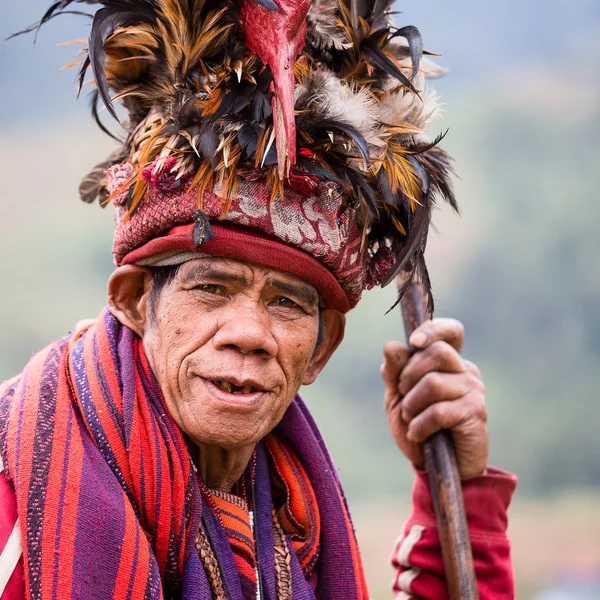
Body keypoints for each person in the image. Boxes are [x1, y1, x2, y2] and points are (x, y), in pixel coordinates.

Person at [0, 0, 517, 598]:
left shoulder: (291, 524)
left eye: (287, 304)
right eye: (211, 288)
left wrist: (457, 491)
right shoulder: (16, 499)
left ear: (321, 351)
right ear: (136, 301)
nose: (248, 332)